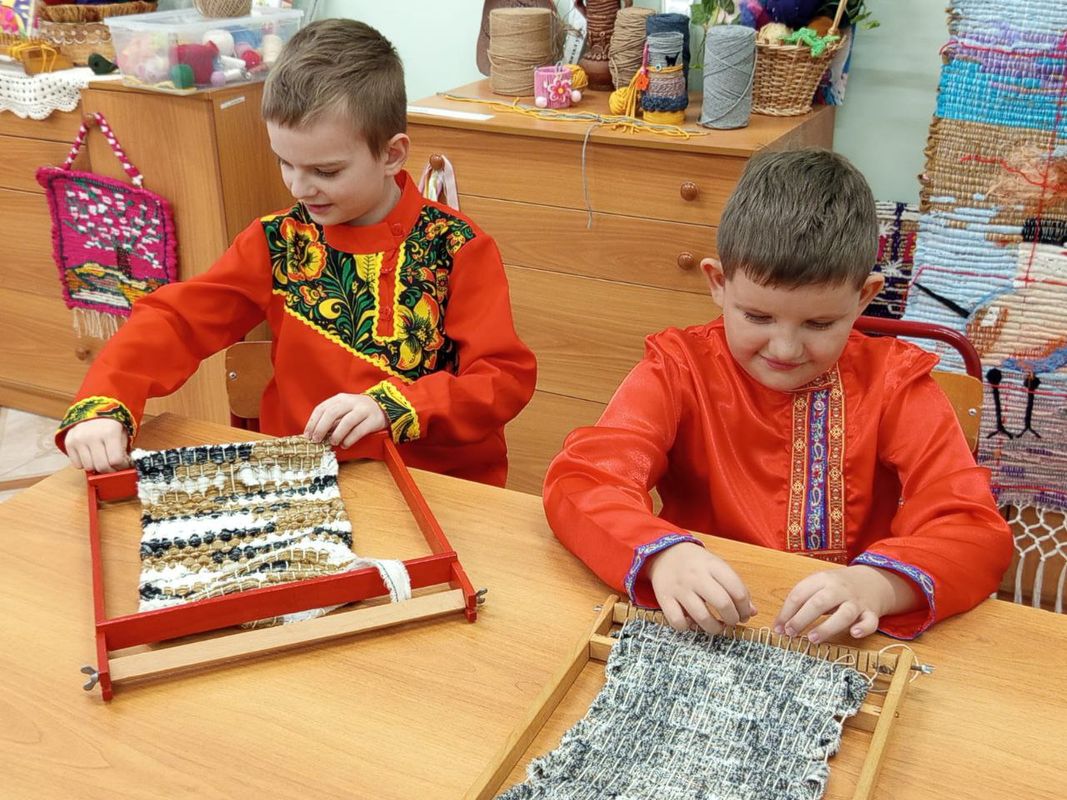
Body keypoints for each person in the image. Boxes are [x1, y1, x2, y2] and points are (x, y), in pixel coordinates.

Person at [543, 148, 1011, 641]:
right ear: (718, 283)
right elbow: (582, 482)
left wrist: (879, 586)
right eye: (758, 317)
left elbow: (973, 531)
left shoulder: (895, 384)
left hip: (845, 637)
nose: (785, 349)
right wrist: (663, 556)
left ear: (864, 297)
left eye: (819, 323)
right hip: (705, 623)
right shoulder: (680, 369)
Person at [58, 19, 536, 487]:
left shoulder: (456, 246)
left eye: (325, 171)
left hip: (438, 486)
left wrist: (397, 406)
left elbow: (503, 378)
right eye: (284, 162)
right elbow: (177, 321)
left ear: (392, 155)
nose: (299, 187)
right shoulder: (278, 240)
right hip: (306, 480)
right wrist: (106, 399)